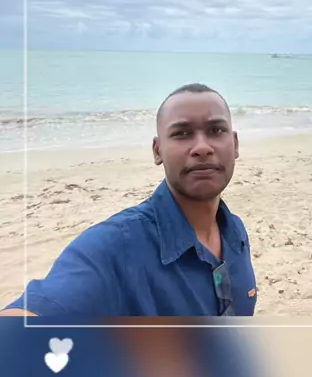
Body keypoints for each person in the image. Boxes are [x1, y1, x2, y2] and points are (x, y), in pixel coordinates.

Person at [0, 83, 257, 318]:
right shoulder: (115, 247)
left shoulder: (235, 232)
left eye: (216, 130)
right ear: (157, 151)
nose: (202, 147)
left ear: (234, 144)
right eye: (182, 133)